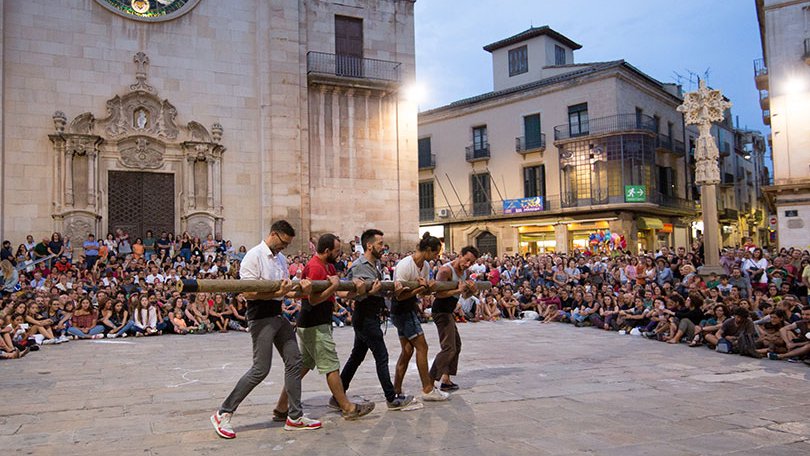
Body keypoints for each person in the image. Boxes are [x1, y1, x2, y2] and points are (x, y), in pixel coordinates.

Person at [211, 220, 321, 440]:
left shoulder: (280, 259)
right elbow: (249, 294)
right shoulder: (253, 256)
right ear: (273, 234)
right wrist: (276, 293)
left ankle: (295, 416)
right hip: (260, 318)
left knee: (295, 361)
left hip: (278, 315)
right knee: (260, 369)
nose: (284, 248)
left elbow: (285, 291)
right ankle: (223, 412)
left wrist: (302, 288)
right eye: (283, 243)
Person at [275, 234, 375, 420]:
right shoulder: (314, 267)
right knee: (331, 365)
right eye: (337, 251)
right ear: (327, 251)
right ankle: (347, 407)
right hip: (314, 322)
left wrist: (360, 290)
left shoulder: (328, 265)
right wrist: (332, 287)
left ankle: (281, 407)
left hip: (318, 322)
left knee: (303, 366)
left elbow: (339, 290)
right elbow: (312, 299)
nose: (339, 254)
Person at [338, 229, 414, 411]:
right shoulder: (359, 266)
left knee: (356, 357)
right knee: (382, 356)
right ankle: (391, 398)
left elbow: (377, 290)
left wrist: (390, 289)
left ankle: (338, 394)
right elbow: (351, 293)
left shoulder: (376, 264)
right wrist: (370, 292)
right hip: (365, 317)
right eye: (380, 243)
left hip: (371, 315)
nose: (383, 246)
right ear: (369, 245)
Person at [392, 233, 449, 402]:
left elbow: (422, 291)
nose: (436, 257)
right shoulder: (405, 265)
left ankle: (396, 389)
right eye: (435, 253)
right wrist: (419, 289)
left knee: (408, 351)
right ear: (428, 250)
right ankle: (427, 388)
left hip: (409, 309)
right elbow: (399, 296)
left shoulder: (424, 266)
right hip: (401, 310)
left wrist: (428, 288)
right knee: (422, 347)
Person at [430, 245, 479, 392]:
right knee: (449, 348)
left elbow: (464, 295)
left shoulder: (464, 272)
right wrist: (458, 289)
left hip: (449, 311)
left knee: (456, 345)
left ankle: (446, 378)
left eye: (472, 262)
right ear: (460, 255)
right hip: (440, 311)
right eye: (467, 260)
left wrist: (471, 290)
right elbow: (437, 294)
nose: (468, 264)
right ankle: (429, 380)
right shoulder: (445, 270)